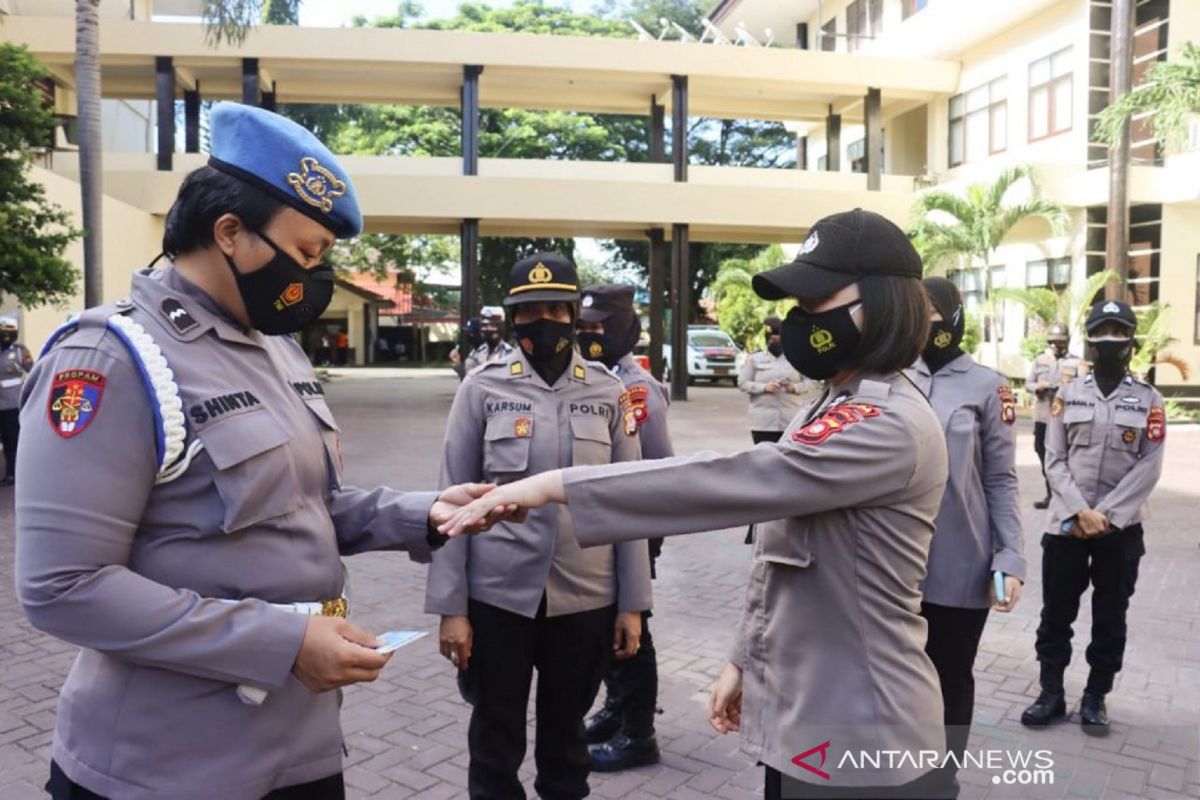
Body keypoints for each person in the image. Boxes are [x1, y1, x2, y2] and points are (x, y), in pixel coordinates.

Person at [14, 103, 498, 800]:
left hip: (298, 748)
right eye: (305, 253)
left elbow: (303, 505)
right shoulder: (113, 359)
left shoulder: (277, 352)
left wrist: (424, 514)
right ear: (231, 233)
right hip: (168, 764)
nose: (315, 275)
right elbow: (63, 587)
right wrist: (282, 644)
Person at [441, 209, 953, 798]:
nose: (798, 321)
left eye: (816, 303)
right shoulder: (834, 402)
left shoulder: (884, 421)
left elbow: (734, 479)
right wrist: (746, 658)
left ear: (887, 303)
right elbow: (785, 566)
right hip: (813, 716)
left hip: (866, 728)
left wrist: (551, 484)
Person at [425, 254, 653, 800]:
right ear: (510, 317)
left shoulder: (607, 391)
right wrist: (452, 610)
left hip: (586, 598)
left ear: (575, 314)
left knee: (567, 751)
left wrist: (632, 604)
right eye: (528, 311)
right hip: (498, 599)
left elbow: (630, 502)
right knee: (494, 746)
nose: (543, 321)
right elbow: (449, 502)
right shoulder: (480, 389)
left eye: (556, 308)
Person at [1021, 299, 1165, 737]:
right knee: (1055, 615)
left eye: (1120, 333)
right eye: (1102, 332)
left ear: (1132, 342)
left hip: (1118, 531)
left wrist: (1104, 515)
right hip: (1066, 525)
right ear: (1090, 340)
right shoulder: (1068, 393)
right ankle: (1051, 693)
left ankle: (1095, 697)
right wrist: (1080, 511)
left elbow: (1149, 464)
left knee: (1110, 616)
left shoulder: (1149, 400)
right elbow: (1054, 457)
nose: (1111, 340)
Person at [906, 277, 1025, 795]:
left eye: (936, 311)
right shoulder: (888, 380)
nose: (928, 321)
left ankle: (942, 778)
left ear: (955, 316)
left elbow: (1001, 477)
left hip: (961, 562)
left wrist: (1010, 557)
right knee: (898, 678)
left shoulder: (987, 386)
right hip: (893, 563)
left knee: (951, 677)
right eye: (919, 311)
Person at [575, 284, 673, 772]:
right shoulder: (591, 379)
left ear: (624, 329)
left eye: (599, 326)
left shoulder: (637, 388)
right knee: (608, 628)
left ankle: (639, 733)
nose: (589, 335)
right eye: (584, 326)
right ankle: (617, 709)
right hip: (599, 529)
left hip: (632, 529)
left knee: (634, 631)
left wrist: (645, 539)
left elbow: (659, 468)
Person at [1026, 322, 1085, 509]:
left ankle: (1067, 496)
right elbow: (1028, 383)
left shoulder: (1077, 362)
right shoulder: (1040, 360)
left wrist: (1066, 388)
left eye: (1061, 342)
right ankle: (1051, 494)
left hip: (1065, 418)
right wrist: (1038, 387)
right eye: (1054, 342)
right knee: (1042, 454)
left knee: (1065, 457)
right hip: (1043, 416)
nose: (1057, 345)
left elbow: (1085, 386)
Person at [738, 315, 818, 445]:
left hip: (790, 420)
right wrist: (764, 387)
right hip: (763, 423)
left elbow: (812, 382)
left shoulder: (797, 358)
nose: (774, 342)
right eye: (771, 340)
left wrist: (795, 387)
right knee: (763, 459)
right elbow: (742, 383)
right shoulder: (754, 359)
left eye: (777, 339)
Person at [1, 316, 34, 485]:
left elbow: (33, 371)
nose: (4, 336)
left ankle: (13, 473)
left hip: (12, 403)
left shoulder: (20, 351)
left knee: (12, 441)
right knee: (6, 443)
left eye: (8, 333)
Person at [463, 305, 514, 373]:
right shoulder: (476, 353)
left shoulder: (509, 354)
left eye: (491, 326)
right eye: (484, 326)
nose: (486, 330)